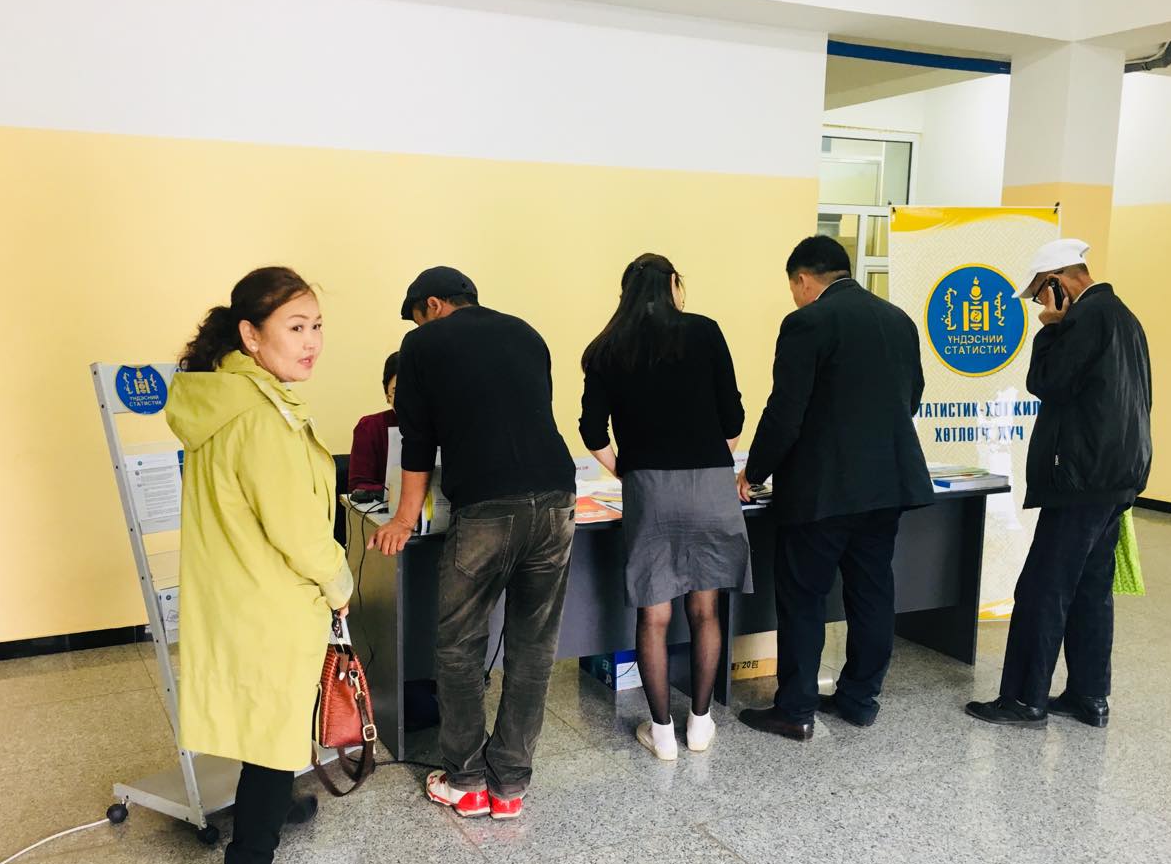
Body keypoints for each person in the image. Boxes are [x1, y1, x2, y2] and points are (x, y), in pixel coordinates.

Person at [166, 266, 353, 864]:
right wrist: (341, 584)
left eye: (317, 326)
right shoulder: (261, 418)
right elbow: (300, 532)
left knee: (267, 723)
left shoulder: (221, 400)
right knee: (275, 737)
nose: (311, 342)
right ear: (250, 335)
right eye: (295, 328)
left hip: (239, 594)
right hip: (271, 600)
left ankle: (272, 807)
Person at [368, 266, 576, 820]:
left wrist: (404, 519)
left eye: (417, 316)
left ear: (433, 304)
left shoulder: (422, 344)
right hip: (558, 498)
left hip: (486, 508)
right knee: (534, 647)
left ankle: (466, 781)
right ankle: (510, 786)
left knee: (459, 646)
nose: (417, 326)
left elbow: (417, 440)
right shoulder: (527, 332)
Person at [736, 236, 933, 741]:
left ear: (803, 280)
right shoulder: (898, 320)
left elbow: (785, 412)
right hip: (886, 486)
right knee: (872, 591)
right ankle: (860, 699)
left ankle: (795, 708)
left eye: (793, 287)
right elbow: (911, 396)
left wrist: (753, 473)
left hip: (822, 491)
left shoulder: (807, 322)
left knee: (804, 597)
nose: (795, 297)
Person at [967, 239, 1152, 729]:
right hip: (1117, 478)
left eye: (1039, 294)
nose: (1038, 304)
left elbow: (1047, 382)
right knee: (1091, 590)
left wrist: (1050, 329)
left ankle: (1023, 700)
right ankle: (1090, 697)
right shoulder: (1125, 317)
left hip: (1079, 478)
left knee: (1042, 589)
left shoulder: (1085, 319)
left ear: (1058, 282)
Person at [578, 254, 751, 760]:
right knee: (705, 608)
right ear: (674, 284)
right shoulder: (705, 331)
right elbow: (733, 417)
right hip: (711, 483)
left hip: (650, 489)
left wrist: (627, 470)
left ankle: (660, 732)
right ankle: (700, 724)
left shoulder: (607, 347)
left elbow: (592, 431)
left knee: (653, 615)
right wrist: (708, 456)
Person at [346, 351, 399, 493]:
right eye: (397, 391)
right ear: (387, 395)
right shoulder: (370, 427)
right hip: (386, 505)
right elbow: (358, 486)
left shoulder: (441, 425)